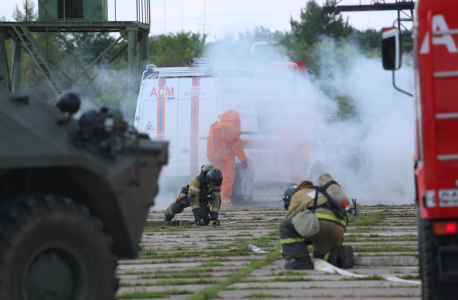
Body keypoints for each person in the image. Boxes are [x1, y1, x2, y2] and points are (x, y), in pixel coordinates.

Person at [279, 173, 354, 270]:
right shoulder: (320, 193)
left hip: (321, 224)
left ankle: (299, 261)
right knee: (320, 257)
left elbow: (290, 220)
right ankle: (337, 255)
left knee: (286, 226)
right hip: (339, 227)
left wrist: (289, 250)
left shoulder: (297, 196)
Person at [207, 110, 248, 207]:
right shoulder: (231, 129)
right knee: (227, 180)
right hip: (227, 159)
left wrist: (210, 157)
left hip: (216, 159)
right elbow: (237, 146)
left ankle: (215, 202)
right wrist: (243, 160)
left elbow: (209, 144)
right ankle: (225, 203)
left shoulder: (214, 127)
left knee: (217, 180)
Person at [280, 109, 317, 184]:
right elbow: (300, 146)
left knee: (296, 178)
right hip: (298, 159)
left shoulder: (296, 128)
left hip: (295, 158)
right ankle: (301, 193)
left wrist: (306, 159)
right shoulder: (301, 129)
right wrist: (303, 159)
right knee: (300, 178)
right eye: (309, 118)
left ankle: (298, 192)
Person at [321, 114, 345, 181]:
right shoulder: (324, 132)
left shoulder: (338, 133)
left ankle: (335, 184)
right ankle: (327, 185)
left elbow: (341, 145)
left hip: (337, 157)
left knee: (336, 172)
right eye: (331, 121)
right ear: (328, 122)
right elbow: (322, 144)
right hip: (327, 156)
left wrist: (342, 155)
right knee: (328, 171)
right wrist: (323, 155)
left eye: (334, 121)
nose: (333, 123)